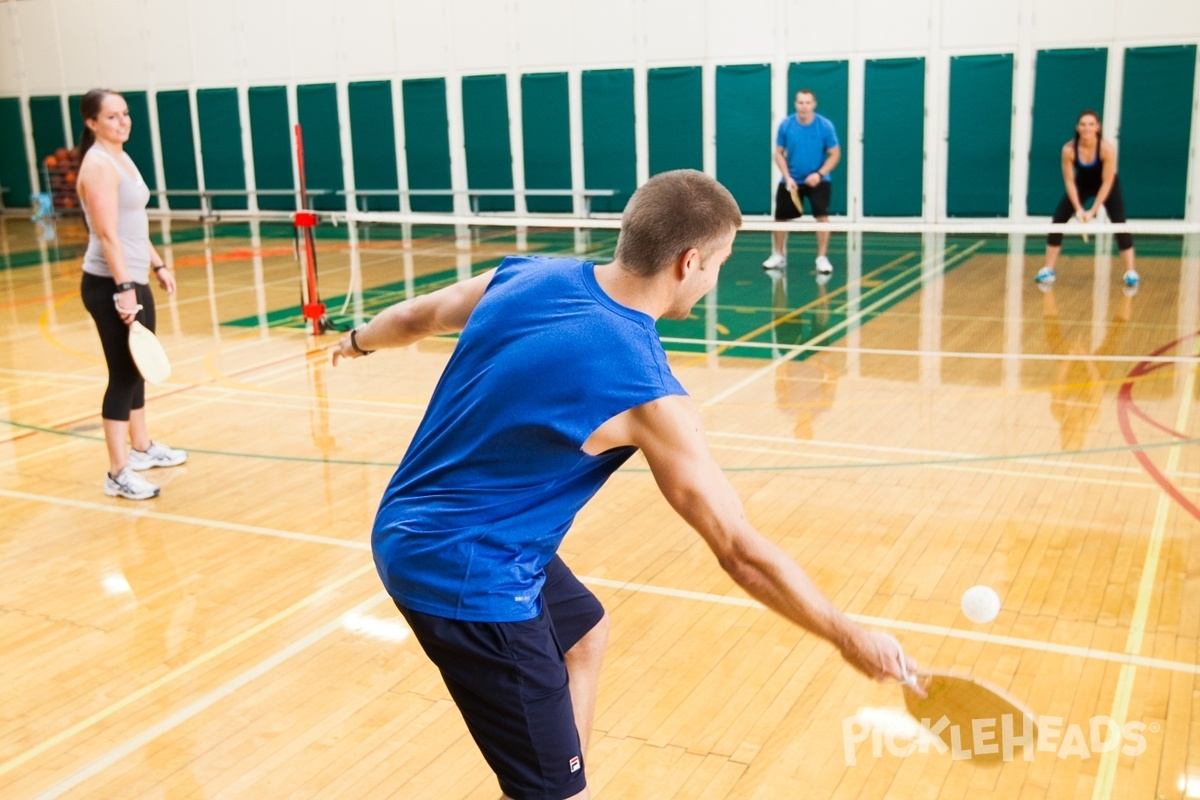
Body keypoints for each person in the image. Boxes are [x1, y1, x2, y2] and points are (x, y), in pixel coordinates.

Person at [332, 170, 914, 800]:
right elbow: (740, 552)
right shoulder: (647, 392)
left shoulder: (528, 275)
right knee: (552, 791)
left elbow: (419, 316)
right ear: (689, 262)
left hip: (415, 520)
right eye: (719, 262)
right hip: (469, 571)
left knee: (584, 633)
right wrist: (847, 635)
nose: (716, 275)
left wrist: (358, 341)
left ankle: (555, 774)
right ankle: (554, 786)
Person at [76, 89, 186, 500]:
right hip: (109, 283)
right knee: (123, 375)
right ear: (92, 123)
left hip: (133, 277)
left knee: (138, 368)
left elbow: (132, 223)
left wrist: (157, 264)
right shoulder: (99, 165)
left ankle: (141, 449)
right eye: (112, 117)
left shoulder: (121, 157)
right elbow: (107, 234)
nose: (123, 122)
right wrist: (124, 289)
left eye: (125, 114)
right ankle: (117, 472)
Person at [1035, 109, 1139, 290]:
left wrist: (1093, 210)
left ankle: (1131, 273)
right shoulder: (1068, 150)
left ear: (1097, 127)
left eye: (1091, 124)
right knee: (1058, 221)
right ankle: (1048, 270)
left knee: (1120, 224)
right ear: (1077, 127)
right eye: (1083, 124)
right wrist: (1078, 208)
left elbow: (1107, 182)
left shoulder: (1106, 149)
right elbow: (1069, 181)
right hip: (1081, 184)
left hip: (1108, 185)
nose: (1087, 128)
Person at [763, 89, 841, 275]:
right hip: (791, 180)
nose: (804, 106)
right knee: (780, 218)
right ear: (795, 104)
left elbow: (835, 154)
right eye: (800, 102)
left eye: (807, 103)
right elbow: (778, 153)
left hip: (818, 179)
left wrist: (819, 174)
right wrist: (787, 176)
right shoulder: (786, 125)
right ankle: (779, 255)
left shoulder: (825, 126)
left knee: (822, 217)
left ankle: (822, 258)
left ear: (814, 104)